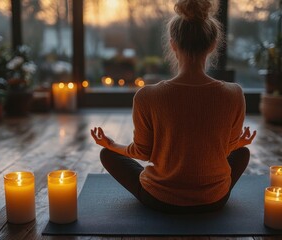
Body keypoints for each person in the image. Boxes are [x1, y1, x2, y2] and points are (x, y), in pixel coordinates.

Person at [91, 0, 256, 214]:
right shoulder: (234, 94)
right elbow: (223, 150)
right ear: (213, 45)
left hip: (159, 199)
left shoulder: (147, 96)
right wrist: (237, 142)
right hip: (214, 200)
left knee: (107, 155)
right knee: (242, 153)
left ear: (172, 44)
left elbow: (142, 152)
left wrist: (111, 143)